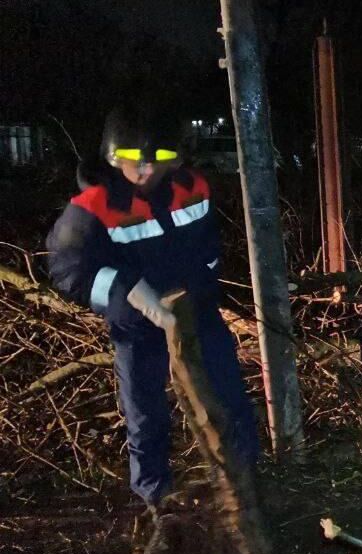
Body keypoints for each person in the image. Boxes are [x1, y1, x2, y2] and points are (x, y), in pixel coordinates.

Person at [45, 105, 260, 521]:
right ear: (113, 157)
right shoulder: (91, 208)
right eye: (132, 162)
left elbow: (208, 246)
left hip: (198, 316)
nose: (144, 172)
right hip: (137, 329)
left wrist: (204, 285)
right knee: (145, 416)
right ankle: (158, 502)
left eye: (155, 162)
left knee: (230, 397)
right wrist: (126, 292)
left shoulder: (192, 188)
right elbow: (67, 270)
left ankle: (244, 483)